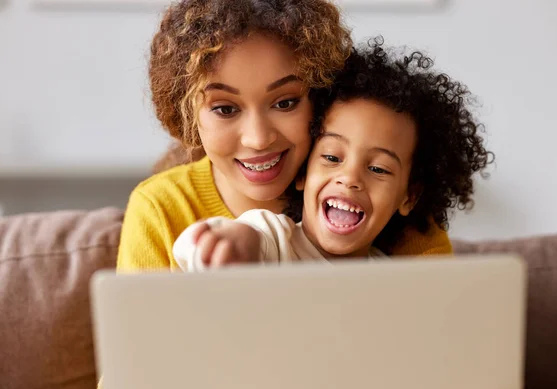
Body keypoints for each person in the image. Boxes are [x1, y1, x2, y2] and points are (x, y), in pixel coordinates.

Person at [118, 0, 454, 274]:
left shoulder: (384, 206)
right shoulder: (160, 208)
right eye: (224, 109)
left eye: (285, 102)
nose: (258, 139)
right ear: (190, 115)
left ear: (321, 100)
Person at [172, 39, 493, 271]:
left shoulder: (394, 280)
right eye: (332, 158)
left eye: (379, 169)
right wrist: (228, 244)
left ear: (409, 196)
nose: (350, 178)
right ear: (302, 173)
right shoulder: (273, 240)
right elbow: (231, 240)